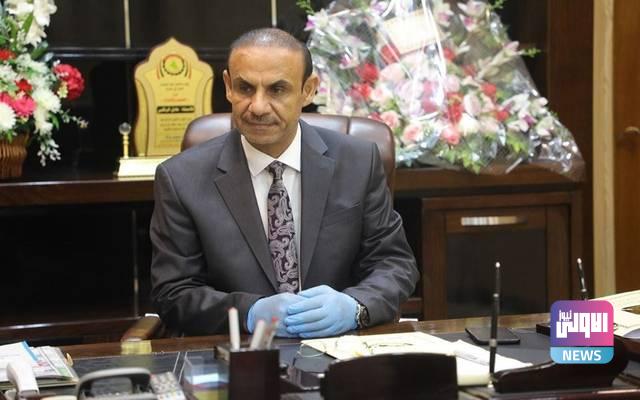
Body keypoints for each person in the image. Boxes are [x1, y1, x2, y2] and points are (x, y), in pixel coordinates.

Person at [150, 27, 418, 338]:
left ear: (308, 90)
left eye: (277, 89)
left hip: (340, 347)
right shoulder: (181, 178)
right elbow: (173, 293)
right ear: (228, 86)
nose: (258, 107)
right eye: (245, 88)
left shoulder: (358, 162)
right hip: (238, 350)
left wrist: (355, 306)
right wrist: (249, 313)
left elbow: (394, 263)